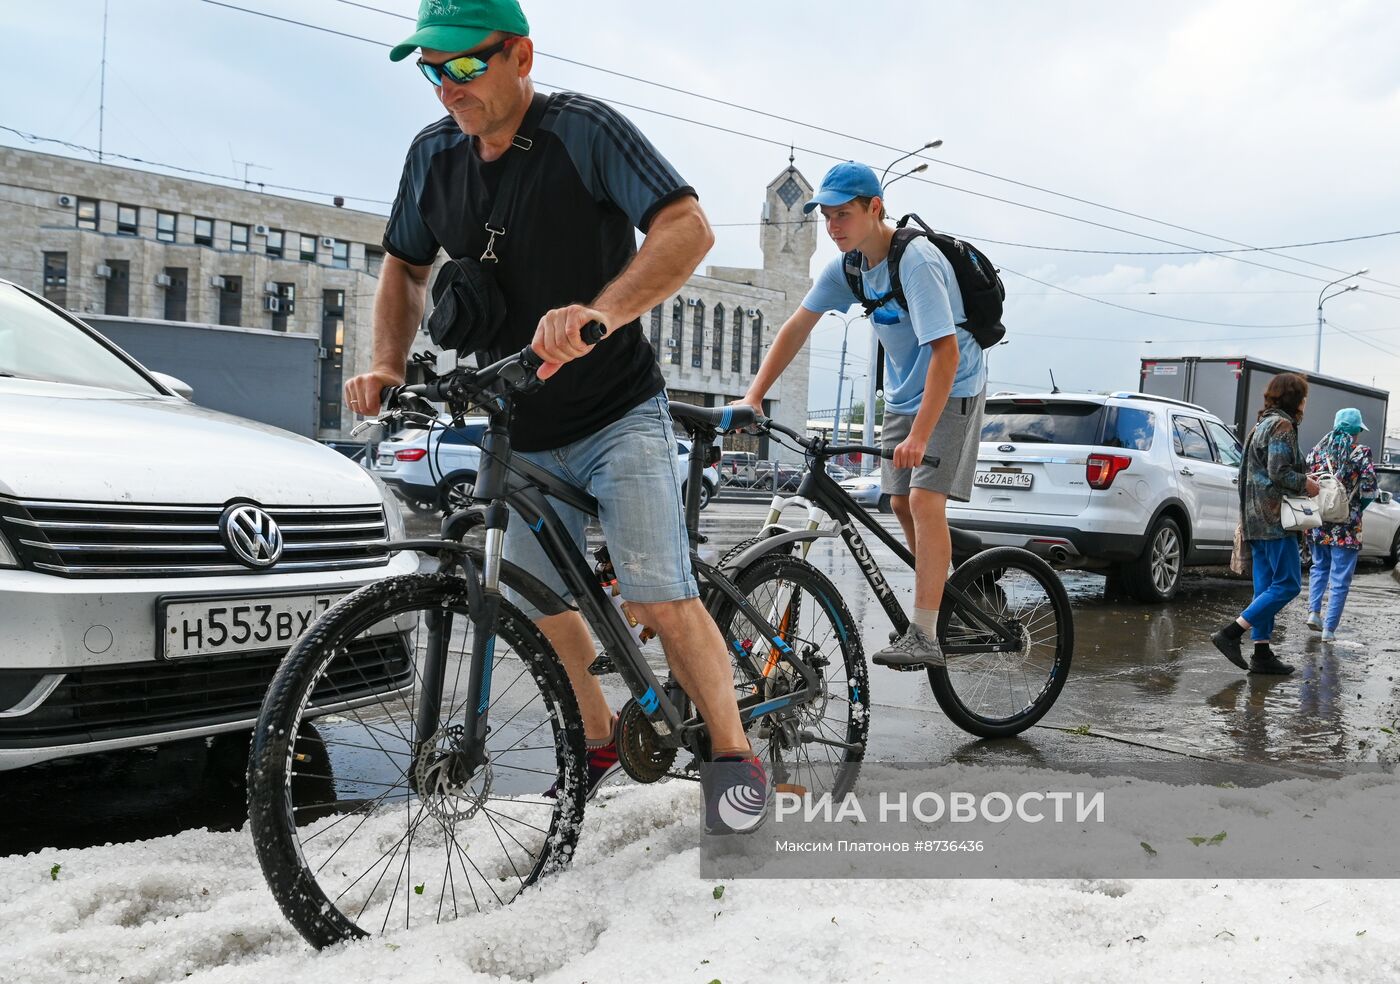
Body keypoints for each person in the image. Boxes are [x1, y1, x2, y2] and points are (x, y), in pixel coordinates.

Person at [342, 0, 768, 833]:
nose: (446, 88)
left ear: (521, 56)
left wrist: (596, 314)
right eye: (432, 70)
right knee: (540, 604)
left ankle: (732, 765)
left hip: (615, 412)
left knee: (661, 594)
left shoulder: (584, 132)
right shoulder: (432, 158)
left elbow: (687, 228)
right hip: (515, 426)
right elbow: (402, 264)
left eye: (465, 66)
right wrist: (387, 363)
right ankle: (602, 743)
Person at [738, 162, 986, 668]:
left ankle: (925, 631)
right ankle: (953, 583)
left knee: (922, 500)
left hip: (953, 386)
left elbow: (946, 354)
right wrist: (754, 396)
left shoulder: (915, 261)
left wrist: (919, 435)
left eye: (843, 215)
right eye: (827, 216)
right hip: (901, 393)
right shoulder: (847, 267)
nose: (833, 227)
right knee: (896, 504)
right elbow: (795, 329)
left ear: (875, 209)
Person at [1211, 373, 1321, 675]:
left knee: (1265, 589)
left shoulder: (1260, 425)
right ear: (1294, 398)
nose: (1305, 402)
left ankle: (1261, 653)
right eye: (1304, 396)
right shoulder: (1282, 425)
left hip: (1253, 520)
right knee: (1287, 584)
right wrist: (1306, 484)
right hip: (1274, 521)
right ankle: (1231, 633)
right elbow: (1279, 473)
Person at [1305, 408, 1379, 641]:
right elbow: (1369, 490)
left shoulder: (1317, 451)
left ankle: (1313, 612)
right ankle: (1329, 630)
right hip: (1347, 525)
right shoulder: (1360, 453)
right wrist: (1355, 510)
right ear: (1357, 431)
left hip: (1318, 520)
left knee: (1319, 567)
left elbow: (1307, 479)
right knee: (1340, 577)